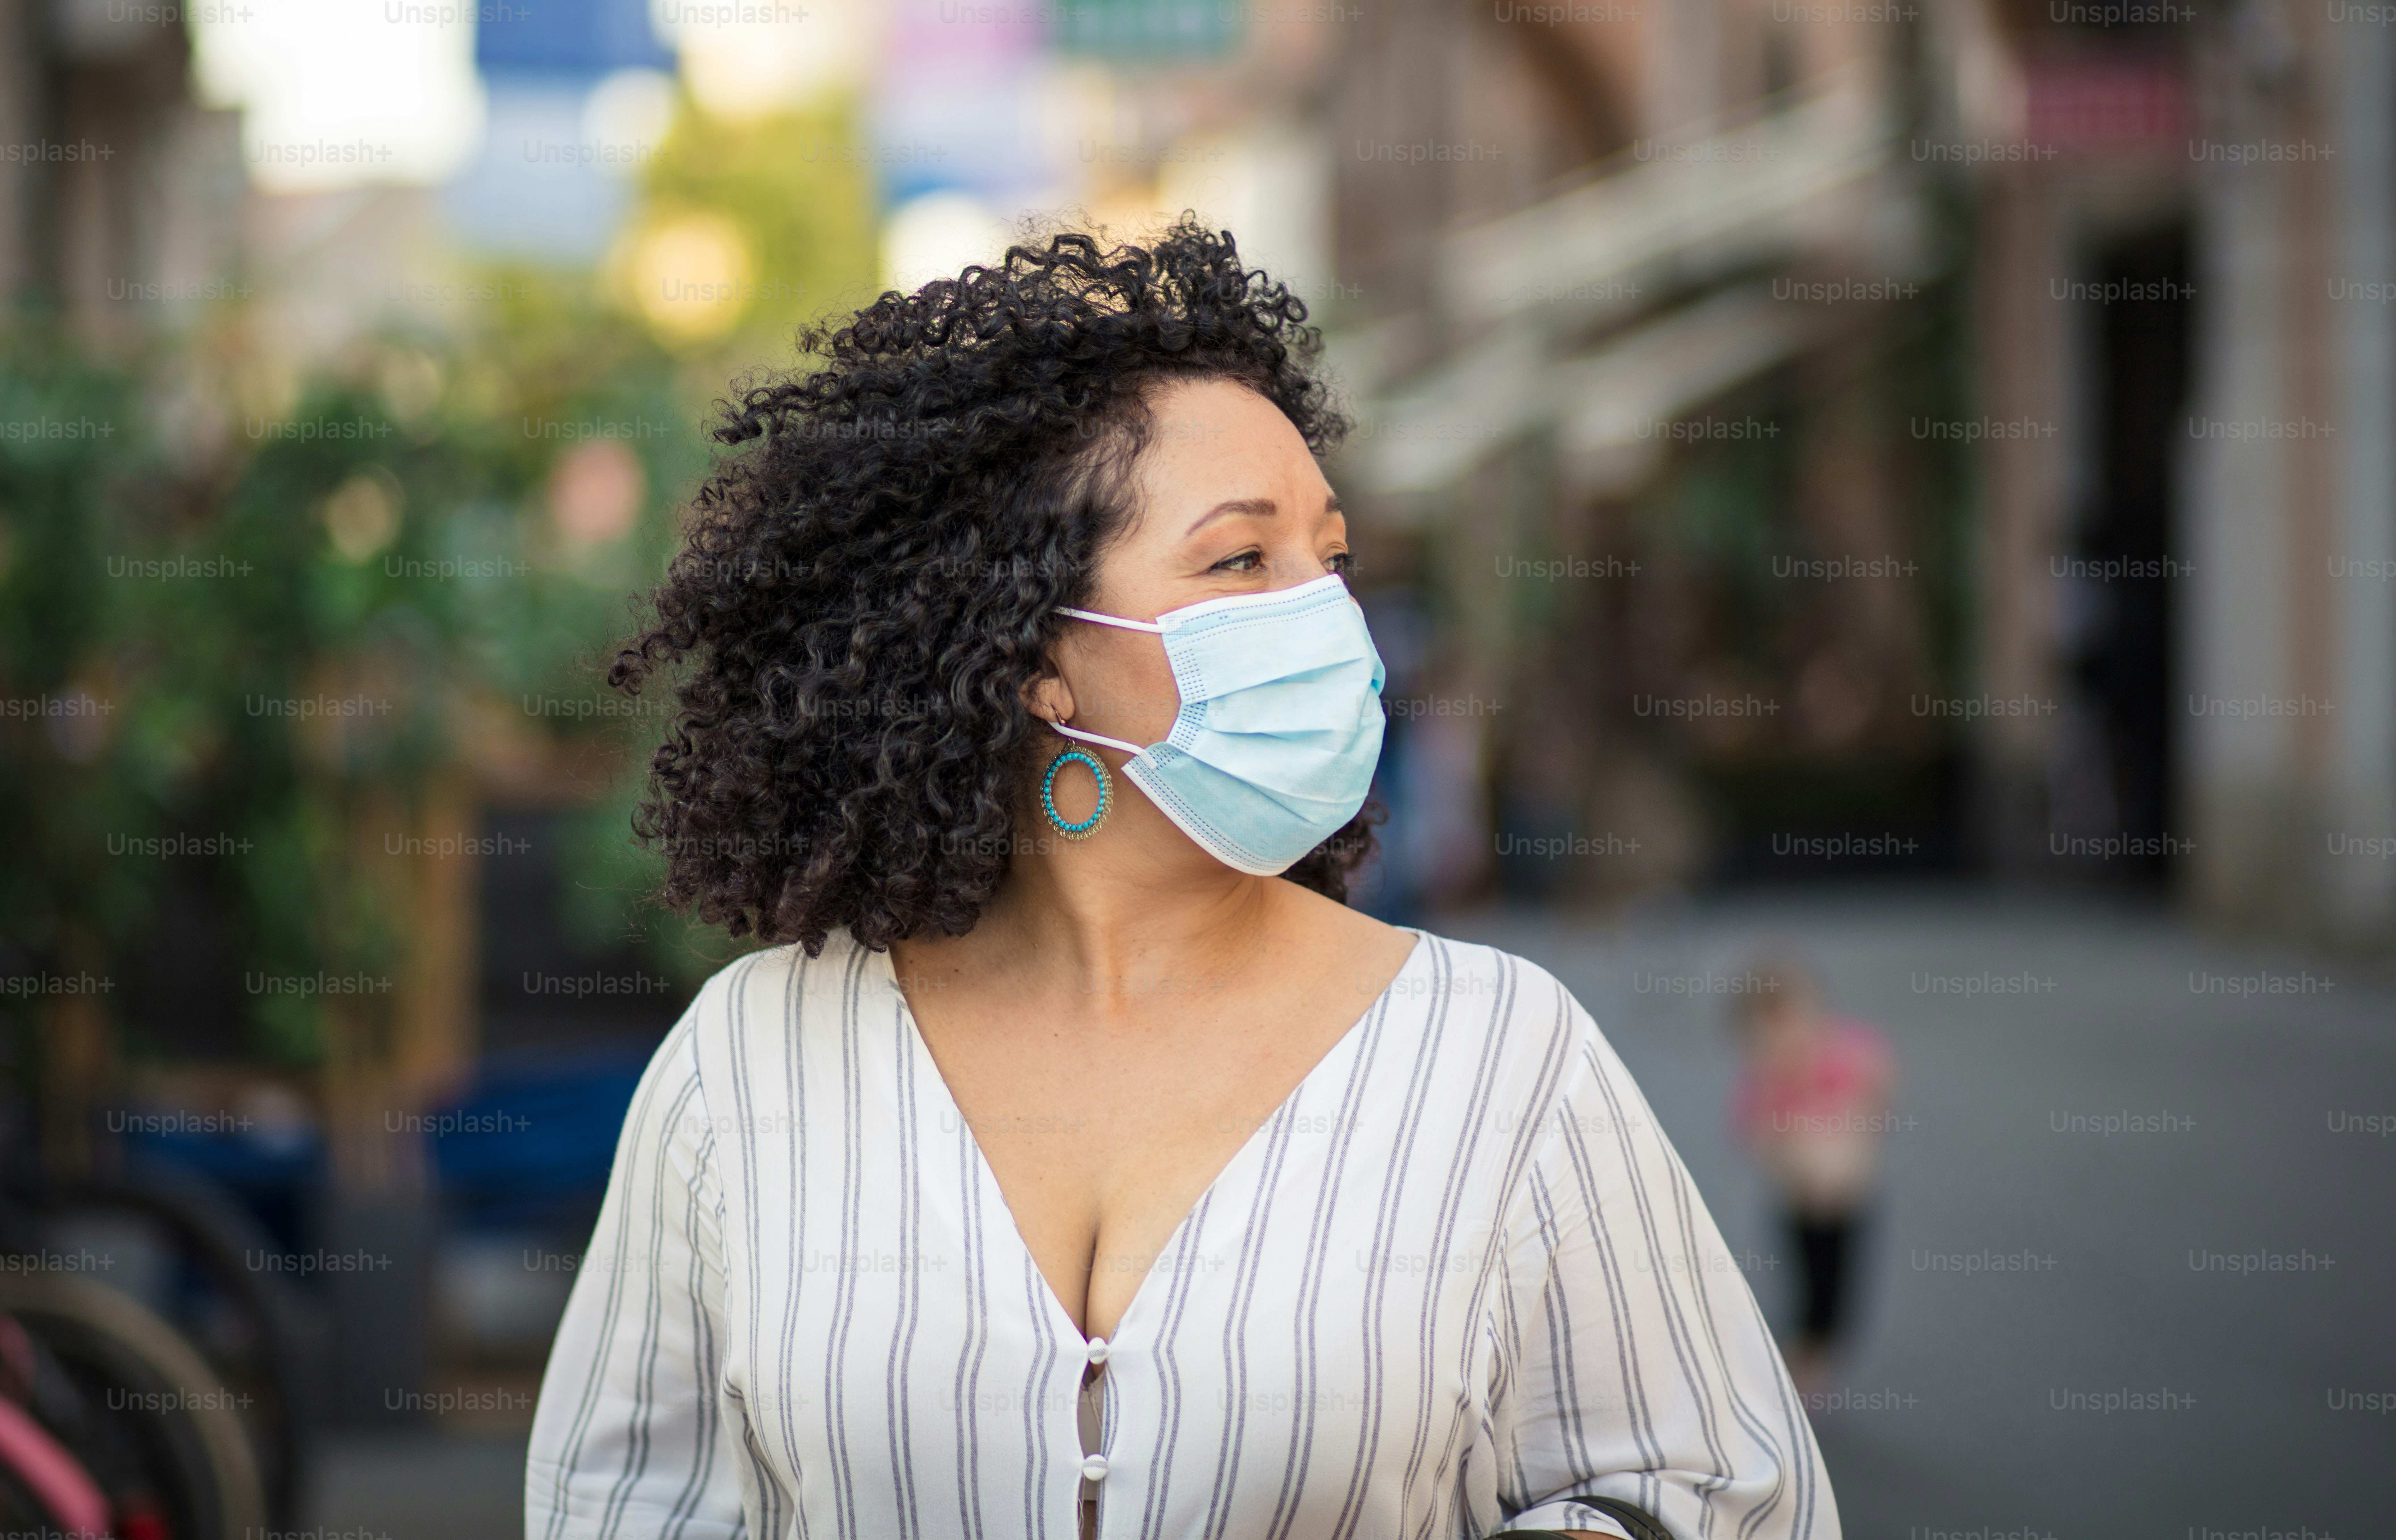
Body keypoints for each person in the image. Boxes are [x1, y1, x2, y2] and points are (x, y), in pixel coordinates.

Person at [525, 223, 1837, 1540]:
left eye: (1328, 557)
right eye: (1237, 561)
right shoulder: (748, 1065)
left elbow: (1721, 1497)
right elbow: (622, 1502)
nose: (1323, 616)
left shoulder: (1501, 1054)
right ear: (1033, 655)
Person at [1729, 961, 1895, 1393]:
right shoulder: (1767, 1085)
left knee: (1837, 1307)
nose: (1787, 1041)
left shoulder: (1846, 1057)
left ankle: (1804, 1373)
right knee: (1808, 1300)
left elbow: (1876, 1086)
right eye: (1770, 1033)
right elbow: (1757, 1139)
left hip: (1849, 1204)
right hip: (1800, 1209)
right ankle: (1794, 1380)